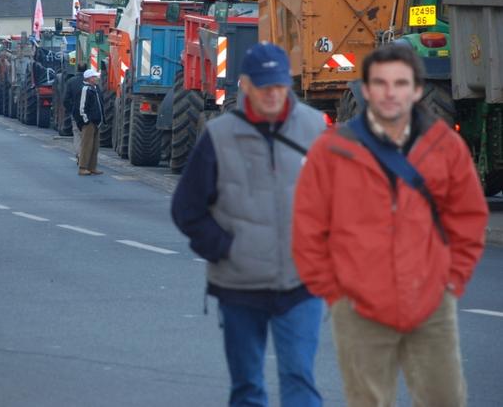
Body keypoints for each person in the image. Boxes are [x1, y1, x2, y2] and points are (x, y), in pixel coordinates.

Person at [292, 43, 488, 407]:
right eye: (380, 83)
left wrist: (451, 279)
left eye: (400, 83)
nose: (390, 93)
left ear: (416, 90)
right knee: (368, 401)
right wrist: (335, 292)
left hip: (430, 301)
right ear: (365, 91)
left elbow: (469, 218)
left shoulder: (445, 146)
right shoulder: (333, 150)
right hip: (359, 305)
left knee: (444, 400)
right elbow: (308, 227)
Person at [171, 43, 326, 407]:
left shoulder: (315, 127)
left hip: (301, 285)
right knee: (247, 388)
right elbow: (186, 208)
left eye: (279, 85)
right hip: (239, 287)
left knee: (300, 380)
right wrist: (225, 249)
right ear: (245, 85)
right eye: (264, 85)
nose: (273, 94)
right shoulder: (220, 135)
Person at [74, 68, 104, 175]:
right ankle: (83, 167)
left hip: (96, 122)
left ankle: (92, 167)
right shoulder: (85, 89)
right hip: (89, 123)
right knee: (87, 145)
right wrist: (86, 121)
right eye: (95, 77)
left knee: (94, 146)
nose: (97, 78)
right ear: (89, 78)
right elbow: (82, 107)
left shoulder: (95, 89)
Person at [63, 66, 86, 165]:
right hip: (87, 112)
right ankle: (86, 156)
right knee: (86, 135)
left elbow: (65, 99)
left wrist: (70, 109)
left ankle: (79, 154)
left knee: (77, 134)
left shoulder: (71, 81)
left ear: (77, 70)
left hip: (75, 112)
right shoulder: (89, 82)